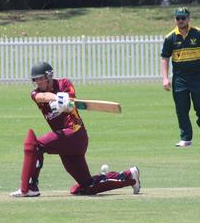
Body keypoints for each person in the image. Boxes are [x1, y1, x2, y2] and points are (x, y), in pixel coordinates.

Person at [10, 61, 141, 197]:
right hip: (65, 142)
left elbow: (71, 99)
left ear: (49, 76)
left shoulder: (64, 84)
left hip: (75, 133)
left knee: (36, 145)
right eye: (35, 79)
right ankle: (130, 175)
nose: (38, 82)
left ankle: (30, 187)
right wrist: (56, 98)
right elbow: (41, 97)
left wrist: (65, 103)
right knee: (86, 186)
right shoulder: (35, 93)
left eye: (41, 78)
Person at [160, 7, 200, 147]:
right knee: (181, 109)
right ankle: (186, 139)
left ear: (188, 19)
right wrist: (165, 78)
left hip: (198, 77)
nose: (181, 21)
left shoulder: (199, 34)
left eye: (183, 18)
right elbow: (165, 58)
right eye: (178, 18)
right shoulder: (170, 37)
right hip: (180, 78)